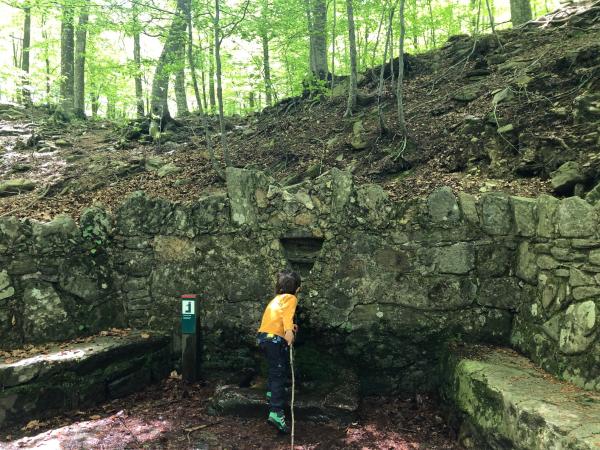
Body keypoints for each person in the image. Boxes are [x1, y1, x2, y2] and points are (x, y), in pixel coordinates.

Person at [256, 270, 301, 434]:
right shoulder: (291, 298)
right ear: (297, 288)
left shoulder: (276, 300)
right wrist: (289, 332)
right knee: (279, 372)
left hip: (264, 338)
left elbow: (278, 318)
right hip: (275, 340)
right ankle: (276, 411)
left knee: (274, 368)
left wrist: (288, 328)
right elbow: (287, 316)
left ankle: (271, 392)